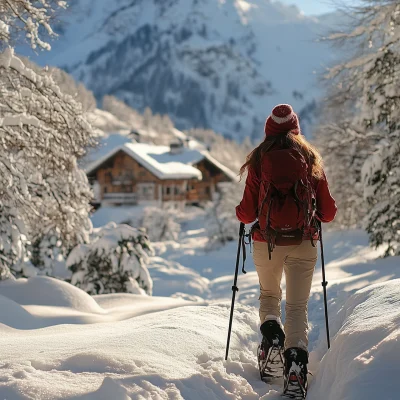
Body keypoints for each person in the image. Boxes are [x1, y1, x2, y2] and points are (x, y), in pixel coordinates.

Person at [236, 104, 337, 391]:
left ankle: (272, 337)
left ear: (269, 129)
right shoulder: (308, 157)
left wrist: (241, 212)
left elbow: (246, 214)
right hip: (303, 242)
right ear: (296, 128)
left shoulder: (258, 159)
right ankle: (296, 364)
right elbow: (328, 213)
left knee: (269, 295)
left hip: (266, 243)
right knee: (296, 306)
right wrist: (312, 215)